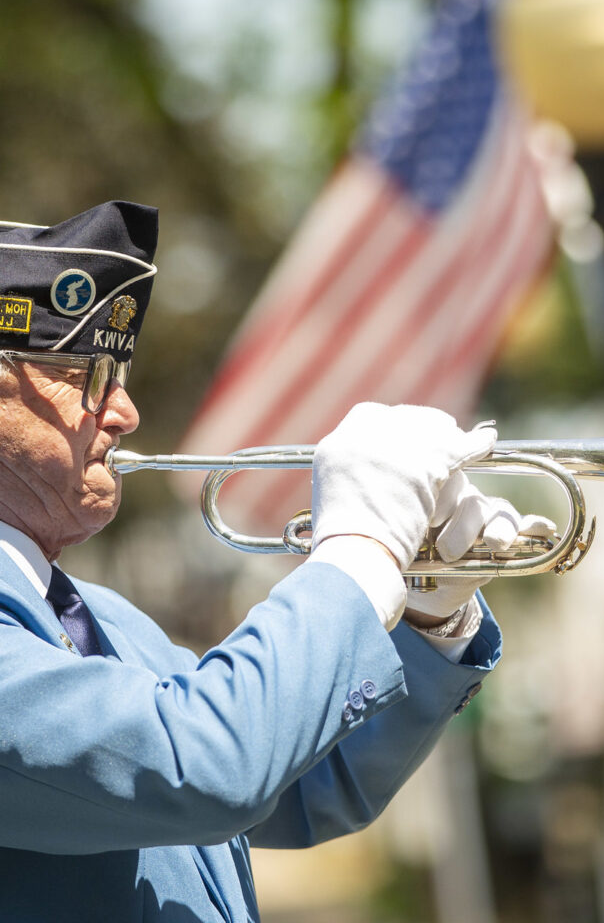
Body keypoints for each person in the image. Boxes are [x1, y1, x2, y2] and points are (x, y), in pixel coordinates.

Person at [0, 201, 555, 923]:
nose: (124, 412)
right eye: (86, 372)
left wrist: (425, 614)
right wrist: (359, 557)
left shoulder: (100, 619)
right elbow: (207, 769)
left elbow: (305, 784)